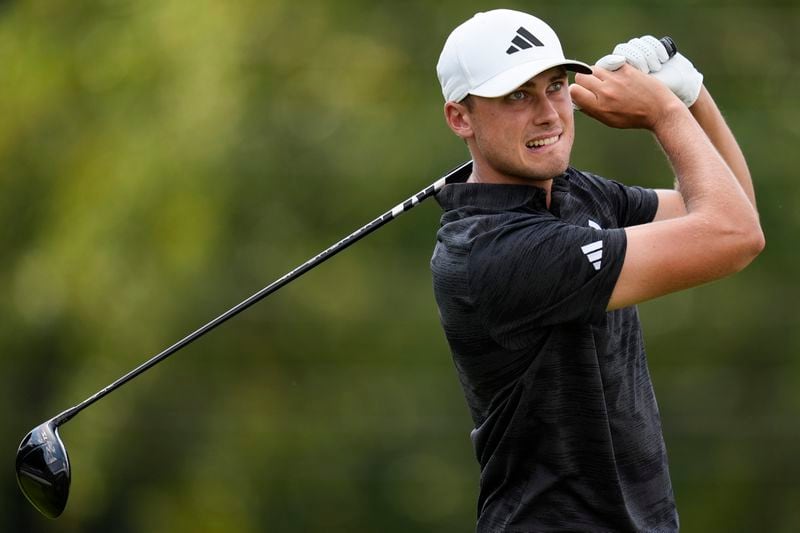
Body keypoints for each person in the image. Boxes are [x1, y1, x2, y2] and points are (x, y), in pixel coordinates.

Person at [430, 9, 764, 532]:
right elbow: (735, 236)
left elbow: (734, 203)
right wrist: (664, 114)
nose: (547, 114)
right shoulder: (491, 253)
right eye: (517, 95)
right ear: (460, 118)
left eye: (556, 87)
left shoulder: (573, 192)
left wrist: (692, 95)